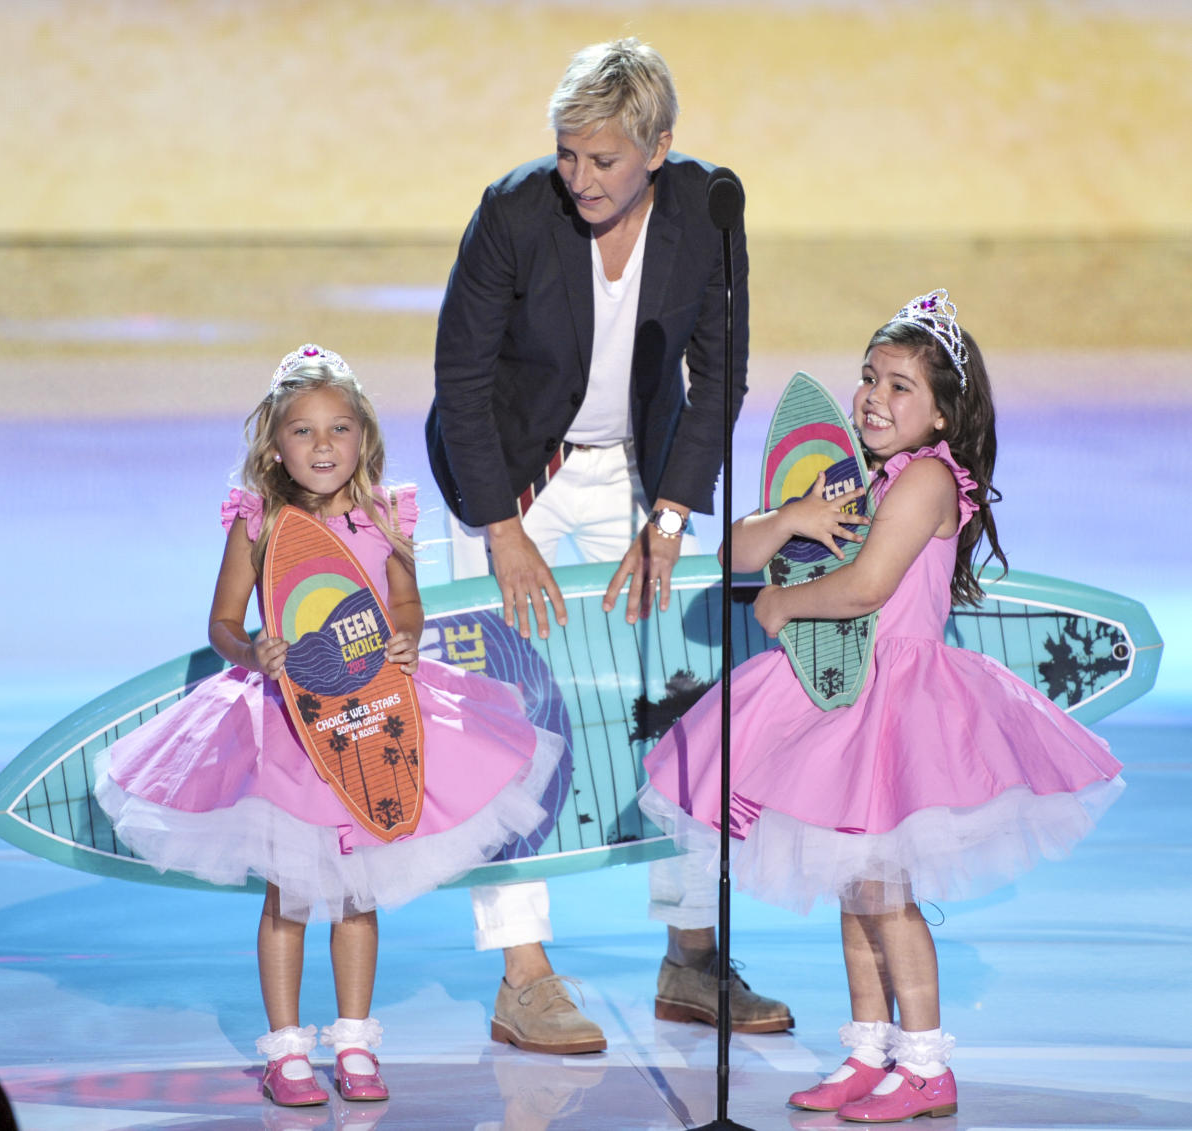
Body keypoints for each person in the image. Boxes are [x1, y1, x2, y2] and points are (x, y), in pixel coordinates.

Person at [640, 290, 1125, 1121]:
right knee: (854, 886)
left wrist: (789, 603)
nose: (873, 395)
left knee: (889, 893)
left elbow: (868, 585)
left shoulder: (931, 478)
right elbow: (736, 552)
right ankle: (868, 1046)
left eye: (900, 385)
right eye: (869, 377)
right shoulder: (854, 479)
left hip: (896, 699)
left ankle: (927, 1063)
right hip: (837, 692)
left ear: (943, 414)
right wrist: (792, 515)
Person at [425, 37, 791, 1055]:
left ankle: (691, 955)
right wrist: (499, 529)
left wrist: (670, 519)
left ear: (658, 150)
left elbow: (719, 377)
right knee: (511, 717)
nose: (579, 178)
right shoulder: (513, 211)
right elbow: (460, 378)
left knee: (683, 703)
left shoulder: (709, 210)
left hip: (640, 476)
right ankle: (524, 974)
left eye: (603, 161)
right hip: (511, 481)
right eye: (567, 155)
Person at [96, 345, 561, 1108]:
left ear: (363, 436)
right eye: (304, 430)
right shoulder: (260, 522)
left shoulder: (384, 513)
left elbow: (403, 601)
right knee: (290, 891)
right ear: (275, 443)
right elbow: (222, 621)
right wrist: (254, 649)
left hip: (370, 716)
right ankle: (287, 1050)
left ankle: (354, 1039)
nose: (322, 445)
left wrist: (406, 633)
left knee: (356, 889)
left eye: (338, 428)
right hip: (288, 727)